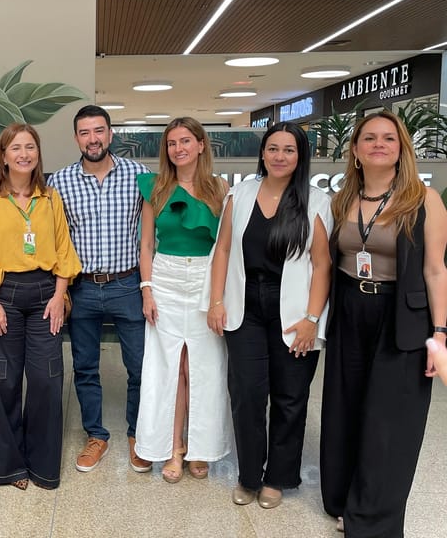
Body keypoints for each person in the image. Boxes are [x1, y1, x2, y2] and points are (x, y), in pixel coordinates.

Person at [320, 111, 447, 536]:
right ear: (355, 150)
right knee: (345, 410)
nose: (379, 144)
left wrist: (440, 335)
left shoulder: (423, 199)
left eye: (388, 138)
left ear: (401, 148)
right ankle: (343, 500)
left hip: (401, 317)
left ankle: (373, 520)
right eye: (370, 138)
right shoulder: (342, 200)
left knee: (389, 422)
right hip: (350, 311)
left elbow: (435, 270)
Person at [207, 122, 331, 509]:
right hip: (246, 306)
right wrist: (216, 301)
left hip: (293, 311)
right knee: (246, 395)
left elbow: (322, 265)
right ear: (262, 153)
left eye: (289, 150)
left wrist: (312, 319)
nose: (279, 156)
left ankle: (278, 476)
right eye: (273, 148)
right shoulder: (241, 194)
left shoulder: (316, 201)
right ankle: (248, 476)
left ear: (300, 155)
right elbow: (223, 250)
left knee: (289, 397)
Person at [0, 123, 80, 490]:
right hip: (2, 294)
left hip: (46, 294)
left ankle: (43, 467)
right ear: (3, 156)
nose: (24, 154)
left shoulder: (50, 198)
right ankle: (10, 467)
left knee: (47, 379)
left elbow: (64, 249)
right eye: (15, 148)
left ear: (38, 154)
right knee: (3, 381)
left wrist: (60, 296)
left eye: (30, 147)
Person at [48, 105, 152, 474]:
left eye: (98, 131)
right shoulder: (59, 182)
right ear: (76, 138)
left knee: (140, 366)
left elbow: (150, 236)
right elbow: (56, 240)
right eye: (85, 132)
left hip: (127, 284)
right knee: (85, 367)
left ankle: (139, 434)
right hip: (83, 288)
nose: (92, 139)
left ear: (110, 133)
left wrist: (148, 286)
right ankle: (96, 435)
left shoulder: (139, 175)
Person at [135, 118, 230, 483]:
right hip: (166, 279)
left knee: (203, 368)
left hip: (207, 279)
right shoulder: (155, 188)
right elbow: (146, 244)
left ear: (201, 144)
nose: (179, 149)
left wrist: (220, 297)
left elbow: (225, 246)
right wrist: (147, 289)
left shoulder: (220, 189)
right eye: (172, 143)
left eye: (186, 141)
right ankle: (173, 447)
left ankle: (200, 447)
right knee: (169, 369)